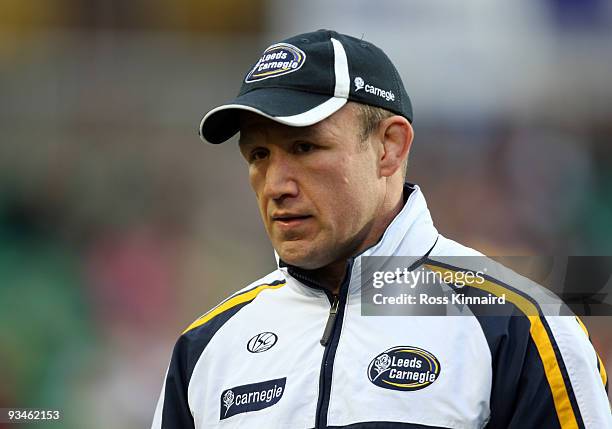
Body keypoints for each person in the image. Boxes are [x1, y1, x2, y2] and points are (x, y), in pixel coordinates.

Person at [152, 30, 610, 428]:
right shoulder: (207, 348)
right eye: (258, 156)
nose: (276, 185)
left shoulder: (522, 328)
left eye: (305, 147)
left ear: (389, 147)